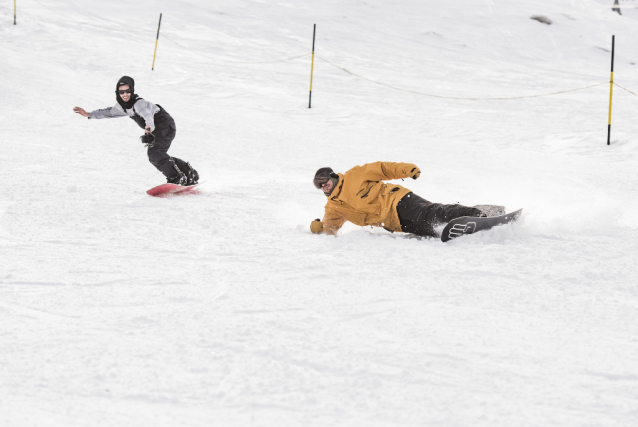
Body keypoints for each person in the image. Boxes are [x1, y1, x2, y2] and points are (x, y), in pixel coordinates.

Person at [310, 162, 504, 237]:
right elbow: (330, 228)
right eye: (318, 185)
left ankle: (480, 214)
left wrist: (406, 170)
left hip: (398, 201)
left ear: (332, 177)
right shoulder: (333, 208)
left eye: (324, 181)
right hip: (394, 223)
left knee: (431, 213)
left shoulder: (354, 175)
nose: (323, 186)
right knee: (429, 229)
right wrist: (318, 228)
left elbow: (383, 169)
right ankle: (464, 226)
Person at [73, 76, 198, 186]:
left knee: (155, 154)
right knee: (157, 155)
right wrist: (89, 114)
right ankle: (188, 173)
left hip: (164, 125)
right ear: (117, 93)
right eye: (122, 92)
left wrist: (149, 125)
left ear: (132, 91)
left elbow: (147, 114)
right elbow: (108, 112)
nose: (125, 94)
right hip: (160, 128)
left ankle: (177, 177)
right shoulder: (122, 106)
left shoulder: (139, 103)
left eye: (128, 91)